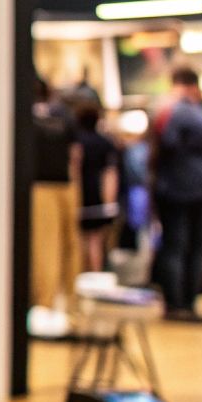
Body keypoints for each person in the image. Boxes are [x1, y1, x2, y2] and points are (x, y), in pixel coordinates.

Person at [151, 66, 202, 323]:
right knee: (192, 247)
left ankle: (177, 304)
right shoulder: (188, 111)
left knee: (177, 247)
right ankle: (184, 304)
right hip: (193, 191)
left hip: (174, 189)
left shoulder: (167, 110)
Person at [28, 78, 81, 326]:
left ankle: (45, 304)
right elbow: (75, 156)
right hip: (65, 186)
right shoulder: (65, 116)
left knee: (46, 248)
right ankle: (67, 305)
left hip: (41, 186)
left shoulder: (28, 118)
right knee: (68, 245)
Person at [74, 103, 119, 274]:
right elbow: (110, 174)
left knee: (79, 240)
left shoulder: (77, 141)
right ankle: (95, 275)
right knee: (95, 241)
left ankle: (81, 276)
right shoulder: (105, 143)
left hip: (80, 195)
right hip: (98, 197)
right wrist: (109, 201)